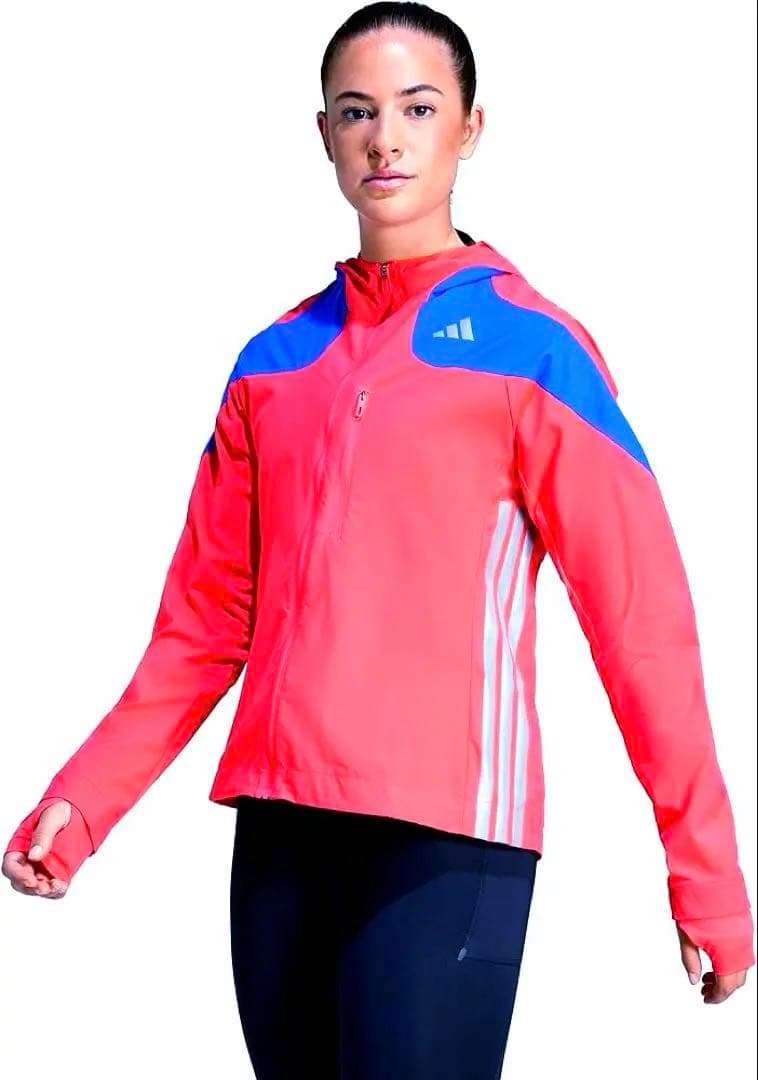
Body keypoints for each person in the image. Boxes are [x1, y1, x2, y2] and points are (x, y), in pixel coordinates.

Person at [3, 1, 755, 1075]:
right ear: (323, 134)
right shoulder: (272, 362)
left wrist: (705, 875)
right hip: (280, 836)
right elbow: (201, 629)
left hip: (444, 844)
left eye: (417, 108)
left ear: (470, 128)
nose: (385, 139)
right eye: (356, 112)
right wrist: (82, 803)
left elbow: (642, 629)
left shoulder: (535, 352)